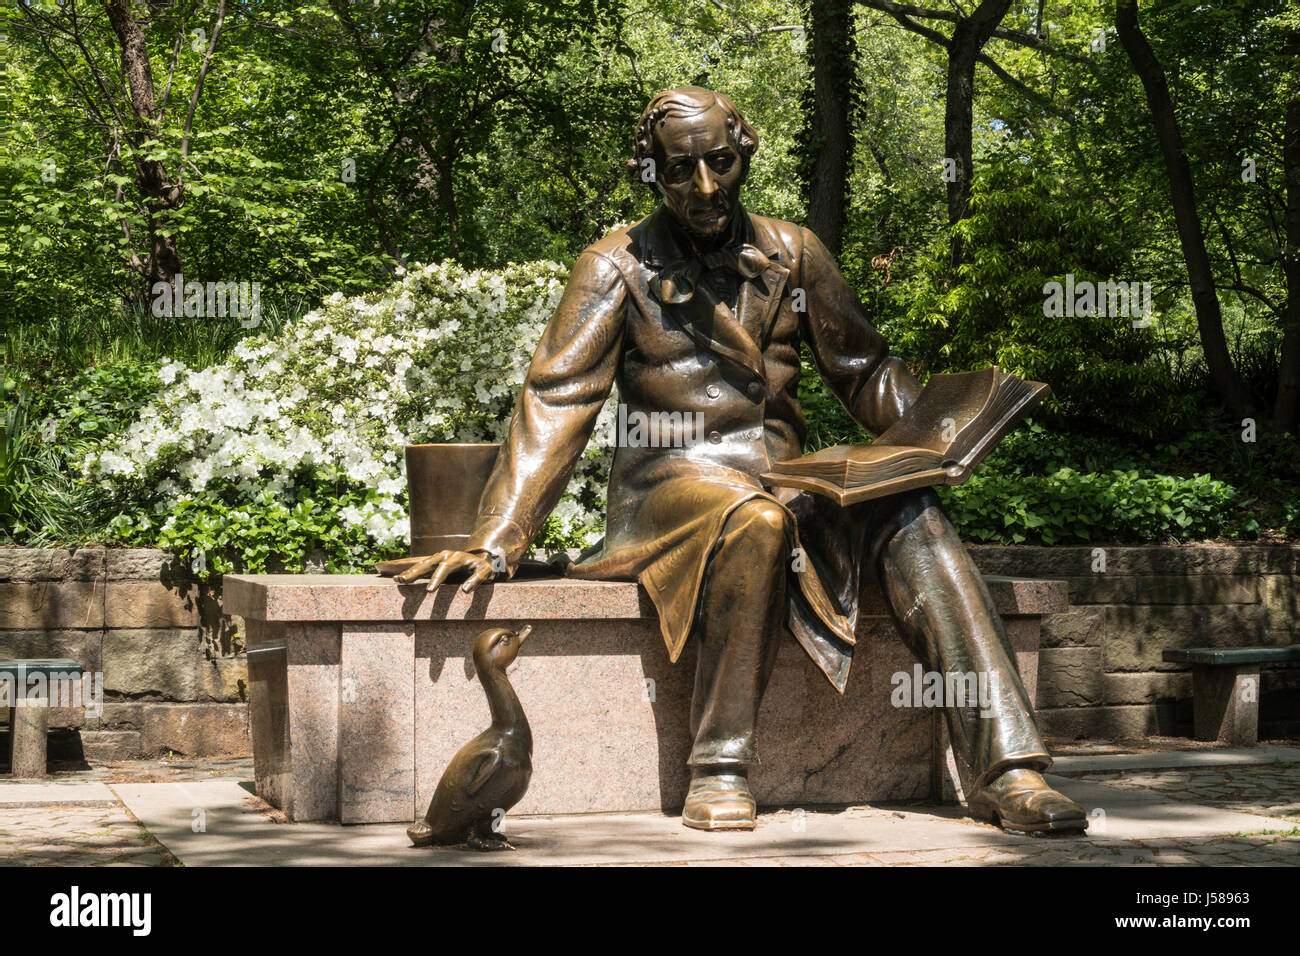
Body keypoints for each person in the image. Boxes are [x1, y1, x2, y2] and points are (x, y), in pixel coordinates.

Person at [397, 86, 1087, 835]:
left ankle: (1008, 770)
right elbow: (558, 402)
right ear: (651, 171)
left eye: (720, 164)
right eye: (680, 170)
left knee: (913, 513)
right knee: (752, 520)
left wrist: (941, 433)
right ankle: (719, 767)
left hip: (786, 479)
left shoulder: (794, 252)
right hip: (669, 486)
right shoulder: (615, 264)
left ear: (744, 154)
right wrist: (499, 536)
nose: (704, 188)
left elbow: (864, 371)